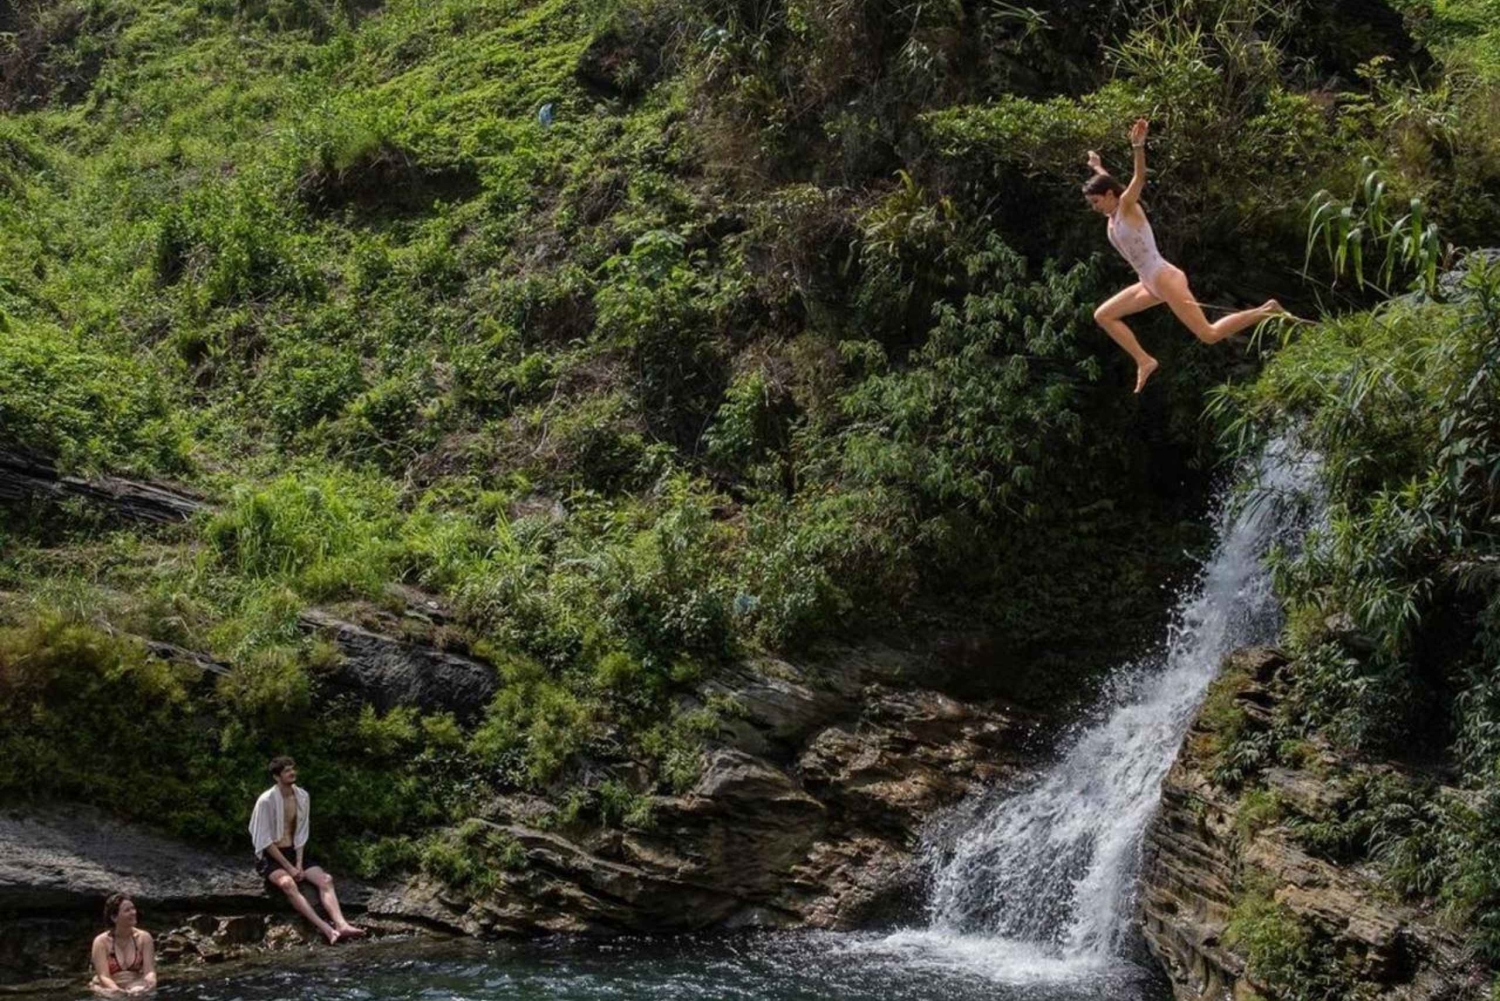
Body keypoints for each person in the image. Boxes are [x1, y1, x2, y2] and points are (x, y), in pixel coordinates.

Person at [1085, 117, 1290, 392]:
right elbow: (1107, 181)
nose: (1094, 208)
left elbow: (1139, 178)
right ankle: (1144, 360)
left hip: (1164, 278)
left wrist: (1138, 147)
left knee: (1209, 334)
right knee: (1103, 315)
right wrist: (1097, 165)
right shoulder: (1112, 214)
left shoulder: (1126, 207)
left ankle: (1266, 310)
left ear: (1110, 195)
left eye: (1095, 202)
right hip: (1148, 283)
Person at [248, 756, 366, 944]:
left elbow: (301, 832)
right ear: (276, 777)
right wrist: (290, 868)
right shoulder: (266, 800)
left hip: (294, 852)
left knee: (326, 879)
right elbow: (264, 840)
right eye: (287, 771)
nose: (292, 773)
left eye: (292, 769)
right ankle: (327, 929)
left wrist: (299, 864)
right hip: (272, 856)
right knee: (288, 884)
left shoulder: (302, 796)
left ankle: (342, 924)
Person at [90, 893, 156, 995]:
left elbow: (149, 971)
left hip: (135, 984)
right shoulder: (101, 942)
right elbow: (103, 977)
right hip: (109, 988)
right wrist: (119, 992)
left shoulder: (144, 938)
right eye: (127, 910)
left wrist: (150, 982)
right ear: (114, 917)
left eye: (133, 908)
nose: (133, 912)